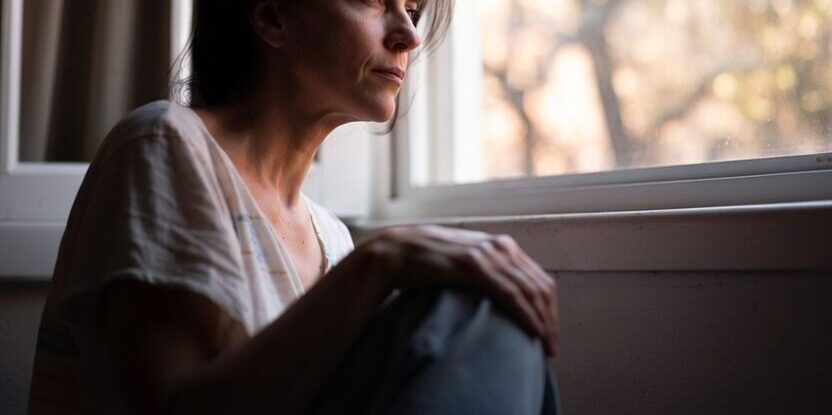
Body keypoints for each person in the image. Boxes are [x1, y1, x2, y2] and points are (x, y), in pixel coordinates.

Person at [27, 1, 560, 414]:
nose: (409, 35)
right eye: (376, 2)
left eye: (413, 11)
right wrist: (382, 261)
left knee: (493, 304)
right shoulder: (165, 142)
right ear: (273, 14)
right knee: (472, 310)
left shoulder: (331, 237)